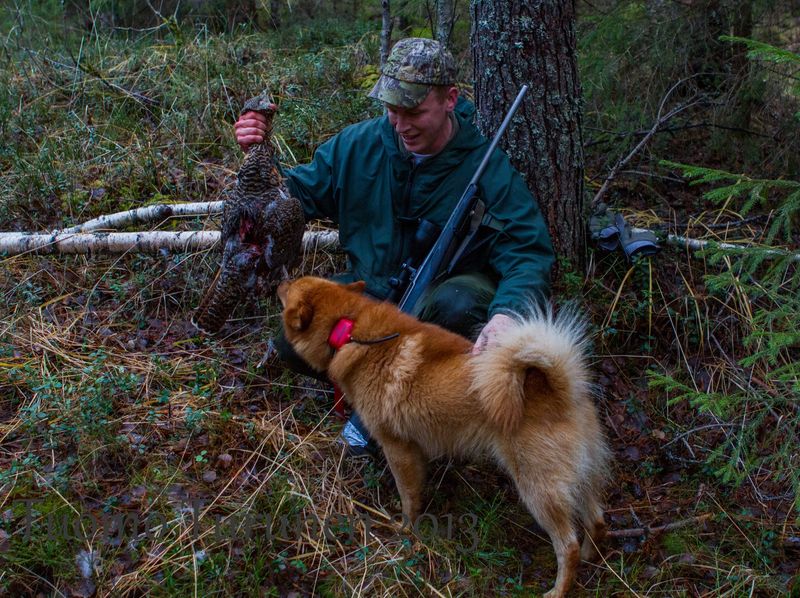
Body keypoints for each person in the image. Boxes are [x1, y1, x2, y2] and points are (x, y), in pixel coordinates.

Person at [234, 38, 555, 452]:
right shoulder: (357, 146)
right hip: (372, 292)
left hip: (439, 301)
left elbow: (527, 250)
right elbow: (292, 197)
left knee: (457, 305)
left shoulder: (486, 166)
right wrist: (257, 157)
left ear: (450, 100)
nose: (401, 125)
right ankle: (368, 390)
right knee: (292, 342)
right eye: (392, 109)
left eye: (414, 111)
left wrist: (509, 314)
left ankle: (434, 415)